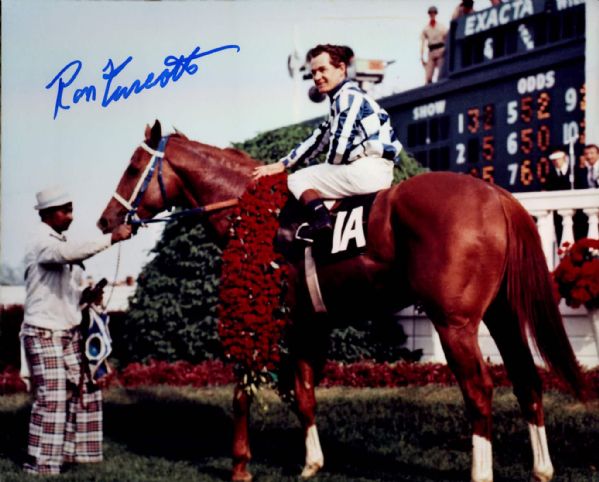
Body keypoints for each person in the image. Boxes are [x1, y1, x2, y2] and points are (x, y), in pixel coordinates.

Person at [21, 186, 132, 475]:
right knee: (52, 398)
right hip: (43, 331)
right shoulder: (41, 242)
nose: (70, 215)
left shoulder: (60, 242)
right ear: (46, 214)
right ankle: (41, 464)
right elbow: (66, 254)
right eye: (64, 210)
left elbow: (67, 291)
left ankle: (67, 454)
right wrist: (112, 238)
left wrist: (87, 297)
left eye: (71, 209)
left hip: (68, 331)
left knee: (81, 392)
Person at [253, 44, 402, 242]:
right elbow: (318, 139)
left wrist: (300, 168)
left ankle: (322, 222)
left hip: (367, 171)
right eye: (314, 72)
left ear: (341, 69)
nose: (316, 77)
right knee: (317, 179)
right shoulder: (342, 99)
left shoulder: (347, 98)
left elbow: (339, 150)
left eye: (323, 70)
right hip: (375, 170)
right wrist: (283, 164)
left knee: (296, 180)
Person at [421, 6, 448, 84]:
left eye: (433, 12)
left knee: (441, 75)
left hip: (440, 50)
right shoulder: (426, 28)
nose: (432, 14)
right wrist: (422, 57)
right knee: (428, 77)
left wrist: (445, 51)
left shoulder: (441, 27)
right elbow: (422, 42)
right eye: (430, 13)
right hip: (431, 52)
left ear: (436, 14)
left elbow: (446, 38)